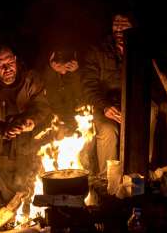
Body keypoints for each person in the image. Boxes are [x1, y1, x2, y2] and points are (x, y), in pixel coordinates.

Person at [0, 45, 52, 205]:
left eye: (10, 62)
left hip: (27, 135)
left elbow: (42, 107)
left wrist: (31, 121)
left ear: (16, 60)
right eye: (0, 65)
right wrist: (4, 130)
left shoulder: (31, 79)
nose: (7, 68)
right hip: (1, 139)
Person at [82, 13, 134, 176]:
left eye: (124, 23)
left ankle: (140, 177)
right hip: (106, 105)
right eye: (116, 23)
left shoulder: (141, 48)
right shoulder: (98, 51)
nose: (119, 28)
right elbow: (88, 85)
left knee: (150, 116)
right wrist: (105, 106)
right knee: (107, 130)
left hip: (135, 103)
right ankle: (107, 182)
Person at [40, 48, 83, 133]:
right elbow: (49, 99)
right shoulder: (44, 73)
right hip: (54, 120)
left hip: (75, 118)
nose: (63, 71)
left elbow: (80, 96)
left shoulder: (79, 71)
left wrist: (74, 73)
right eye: (59, 64)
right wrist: (51, 70)